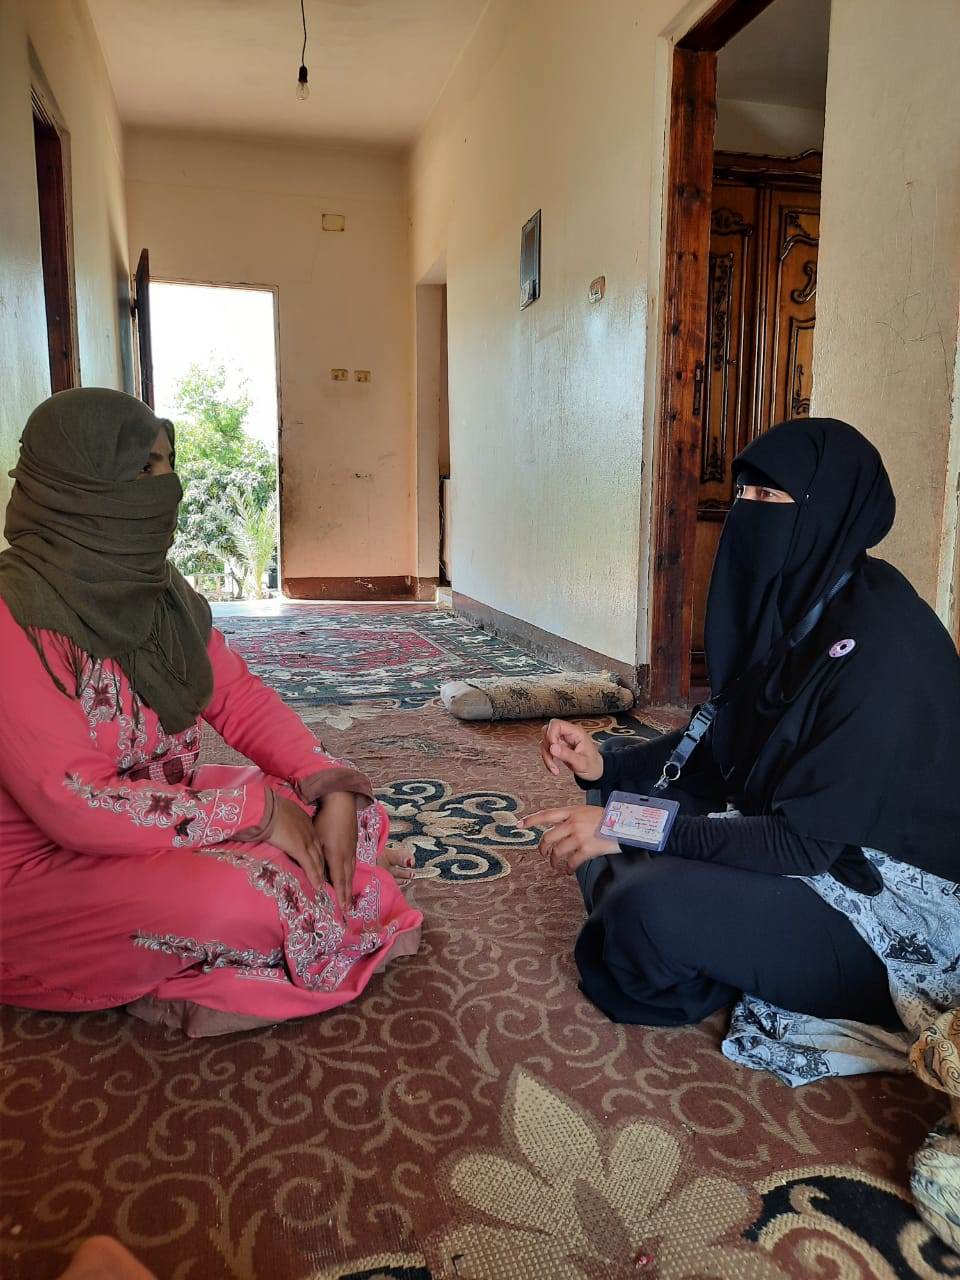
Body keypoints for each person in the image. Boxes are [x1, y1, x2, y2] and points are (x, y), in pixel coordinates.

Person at [524, 418, 960, 1084]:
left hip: (877, 905)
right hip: (796, 836)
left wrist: (629, 826)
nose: (746, 514)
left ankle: (718, 955)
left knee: (643, 905)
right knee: (615, 808)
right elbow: (728, 740)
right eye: (743, 495)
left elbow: (802, 846)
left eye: (769, 498)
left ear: (828, 509)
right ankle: (718, 932)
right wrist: (606, 764)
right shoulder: (807, 605)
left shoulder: (884, 650)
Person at [0, 388, 421, 1037]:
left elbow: (239, 698)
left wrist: (325, 782)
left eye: (167, 464)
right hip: (39, 874)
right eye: (145, 469)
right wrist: (256, 814)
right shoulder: (15, 615)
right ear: (77, 484)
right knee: (250, 898)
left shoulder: (158, 591)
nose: (167, 485)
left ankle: (289, 902)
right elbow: (78, 804)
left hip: (153, 816)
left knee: (347, 813)